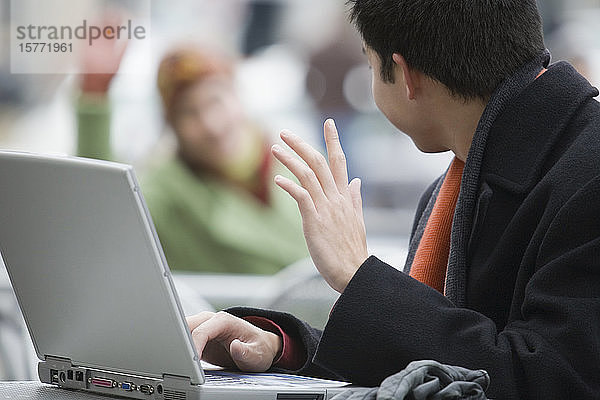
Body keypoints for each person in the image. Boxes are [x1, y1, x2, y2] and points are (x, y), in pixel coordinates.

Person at [185, 1, 600, 399]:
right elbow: (428, 354)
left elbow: (548, 381)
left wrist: (357, 277)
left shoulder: (584, 172)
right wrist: (283, 349)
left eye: (369, 63)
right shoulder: (460, 181)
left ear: (404, 75)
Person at [77, 45, 308, 273]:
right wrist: (94, 101)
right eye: (189, 112)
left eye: (215, 101)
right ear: (172, 126)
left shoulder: (294, 156)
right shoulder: (167, 195)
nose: (211, 125)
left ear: (236, 93)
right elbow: (107, 212)